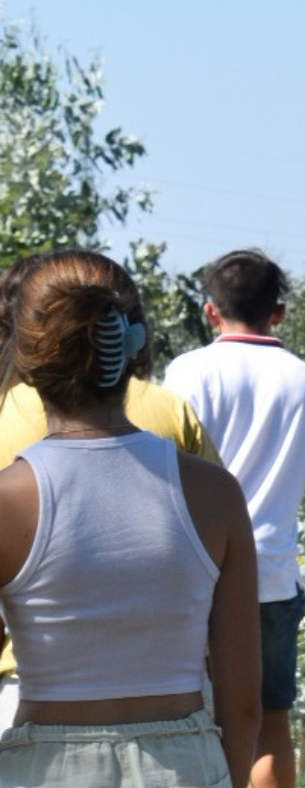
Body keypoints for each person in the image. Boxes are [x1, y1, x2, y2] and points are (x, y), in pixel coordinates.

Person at [0, 249, 260, 787]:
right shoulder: (214, 494)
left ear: (26, 356)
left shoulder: (9, 499)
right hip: (186, 765)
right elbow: (243, 698)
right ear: (135, 348)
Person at [163, 248, 305, 788]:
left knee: (189, 719)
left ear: (209, 311)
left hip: (196, 576)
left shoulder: (186, 373)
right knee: (271, 725)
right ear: (279, 312)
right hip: (271, 578)